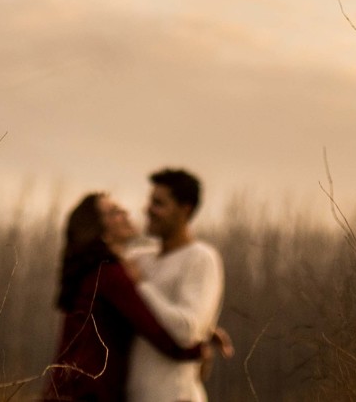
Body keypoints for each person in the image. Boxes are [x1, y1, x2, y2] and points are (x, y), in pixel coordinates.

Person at [41, 192, 206, 401]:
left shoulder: (94, 271)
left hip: (67, 392)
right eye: (114, 212)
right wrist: (198, 348)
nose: (125, 213)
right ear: (101, 229)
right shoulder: (109, 274)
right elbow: (154, 330)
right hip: (89, 394)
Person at [124, 168, 225, 402]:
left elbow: (187, 331)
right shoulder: (139, 259)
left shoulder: (201, 259)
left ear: (184, 210)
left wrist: (141, 286)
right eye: (150, 201)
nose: (148, 210)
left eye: (159, 203)